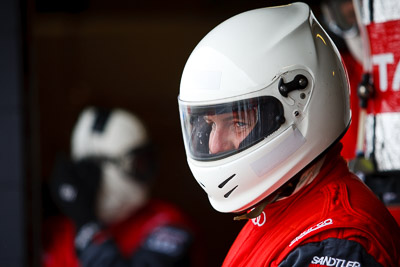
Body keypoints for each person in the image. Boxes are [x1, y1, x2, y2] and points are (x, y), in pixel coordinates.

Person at [177, 2, 400, 266]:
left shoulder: (336, 242)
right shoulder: (277, 206)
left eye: (237, 123)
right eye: (209, 124)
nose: (214, 145)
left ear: (301, 108)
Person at [42, 107, 202, 267]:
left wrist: (87, 227)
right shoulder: (55, 234)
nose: (146, 173)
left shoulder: (166, 225)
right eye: (137, 165)